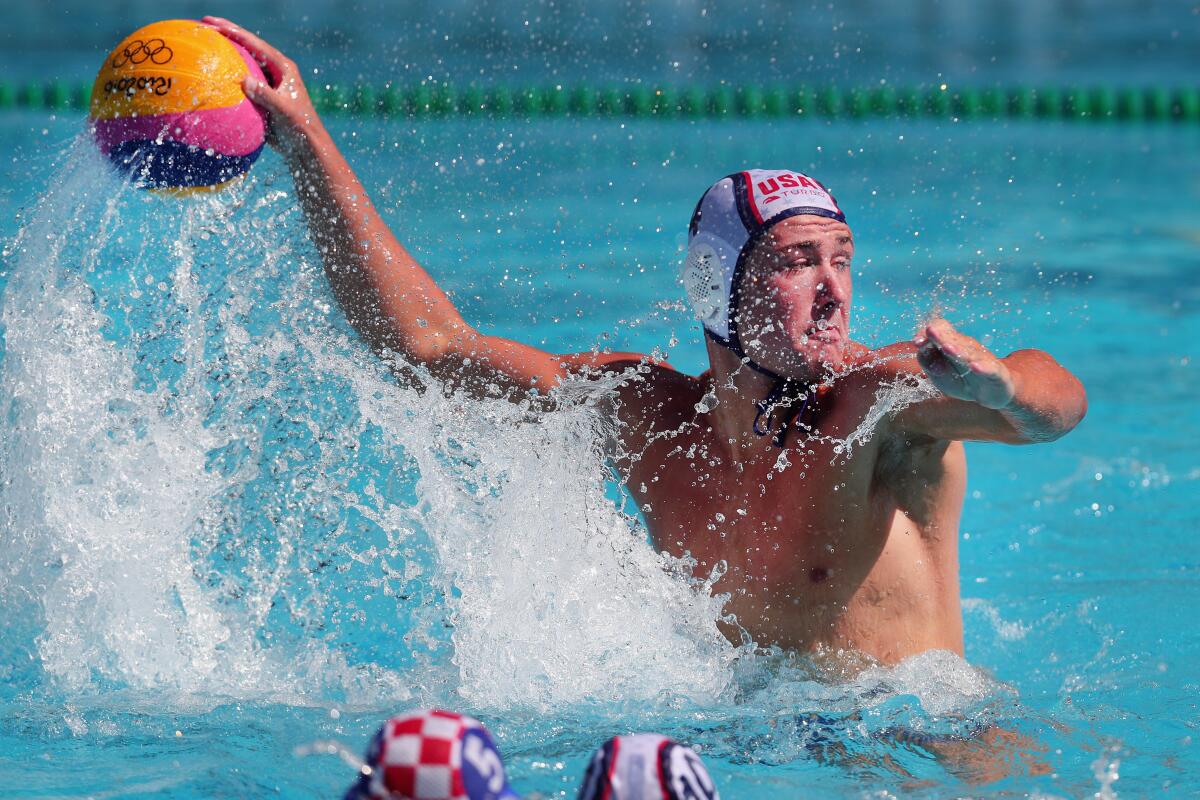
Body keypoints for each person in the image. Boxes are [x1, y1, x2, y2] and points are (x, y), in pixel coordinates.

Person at [203, 18, 1086, 666]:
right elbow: (428, 348)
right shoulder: (648, 418)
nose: (834, 290)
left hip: (916, 751)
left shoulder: (878, 405)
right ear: (718, 289)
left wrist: (1000, 382)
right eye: (797, 263)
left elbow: (1057, 408)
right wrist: (307, 140)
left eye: (843, 260)